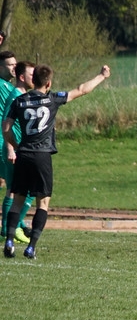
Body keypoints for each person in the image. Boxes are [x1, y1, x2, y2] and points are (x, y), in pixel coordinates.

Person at [3, 63, 110, 259]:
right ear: (49, 83)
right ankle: (31, 247)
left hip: (24, 154)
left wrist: (15, 145)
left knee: (17, 200)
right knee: (42, 203)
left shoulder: (20, 101)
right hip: (42, 156)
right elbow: (81, 90)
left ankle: (9, 241)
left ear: (33, 80)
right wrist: (101, 76)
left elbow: (6, 127)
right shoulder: (52, 99)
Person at [1, 60, 36, 243]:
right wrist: (10, 149)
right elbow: (5, 124)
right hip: (13, 149)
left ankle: (11, 228)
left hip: (19, 148)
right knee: (18, 190)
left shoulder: (22, 95)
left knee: (21, 189)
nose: (35, 78)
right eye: (32, 75)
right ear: (22, 77)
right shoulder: (15, 96)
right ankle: (11, 228)